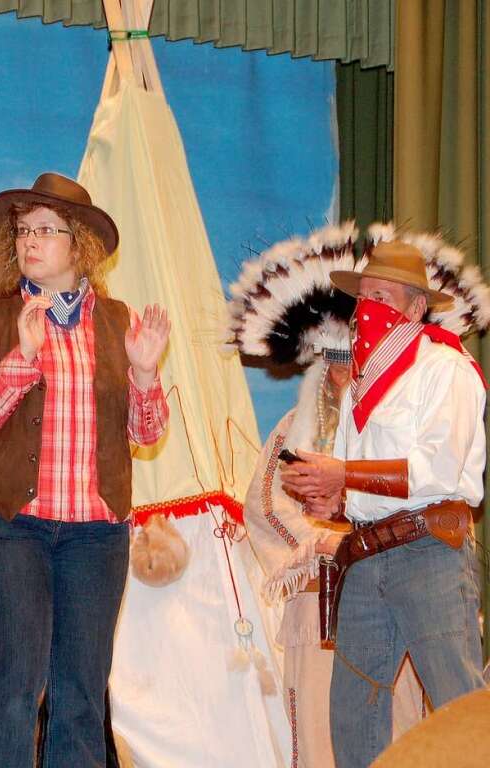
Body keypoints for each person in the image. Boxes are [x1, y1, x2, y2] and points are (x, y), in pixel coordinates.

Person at [0, 172, 170, 767]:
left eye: (47, 231)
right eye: (24, 231)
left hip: (94, 533)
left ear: (80, 246)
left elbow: (147, 434)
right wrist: (23, 358)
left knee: (82, 691)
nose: (31, 241)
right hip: (9, 526)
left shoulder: (119, 321)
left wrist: (147, 375)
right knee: (17, 681)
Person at [282, 240, 486, 768]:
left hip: (431, 555)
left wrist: (342, 473)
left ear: (416, 308)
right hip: (367, 558)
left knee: (459, 707)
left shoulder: (448, 370)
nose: (367, 306)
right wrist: (330, 495)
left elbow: (435, 473)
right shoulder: (361, 388)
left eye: (382, 295)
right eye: (363, 295)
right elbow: (358, 491)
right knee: (352, 720)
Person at [231, 226, 425, 767]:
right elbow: (265, 505)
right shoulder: (295, 433)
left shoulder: (403, 426)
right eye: (336, 367)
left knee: (400, 721)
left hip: (394, 589)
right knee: (319, 732)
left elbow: (434, 495)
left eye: (356, 366)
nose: (345, 380)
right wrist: (319, 541)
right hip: (319, 602)